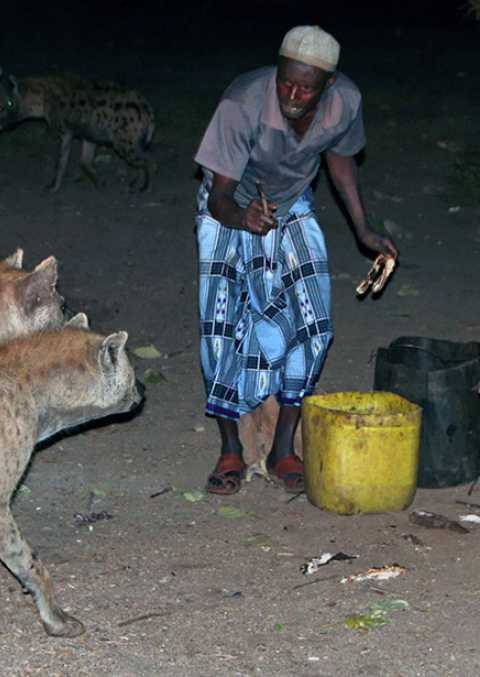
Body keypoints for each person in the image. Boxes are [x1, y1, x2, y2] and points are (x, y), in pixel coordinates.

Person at [193, 25, 399, 495]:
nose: (292, 95)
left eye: (306, 88)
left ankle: (284, 448)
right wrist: (243, 218)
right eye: (286, 82)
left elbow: (341, 160)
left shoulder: (344, 101)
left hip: (291, 201)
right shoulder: (243, 102)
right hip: (231, 205)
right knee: (221, 322)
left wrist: (363, 228)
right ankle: (231, 447)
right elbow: (219, 196)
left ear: (327, 84)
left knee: (313, 321)